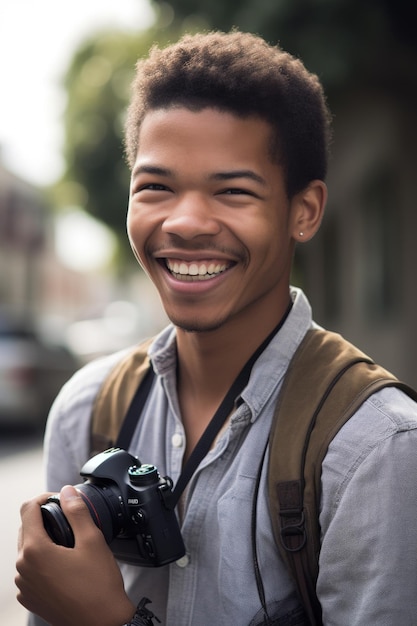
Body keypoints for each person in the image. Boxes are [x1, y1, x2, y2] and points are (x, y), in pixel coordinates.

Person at [15, 30, 417, 626]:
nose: (185, 223)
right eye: (156, 187)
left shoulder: (376, 451)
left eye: (232, 191)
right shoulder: (88, 410)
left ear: (303, 212)